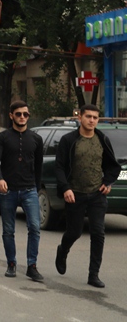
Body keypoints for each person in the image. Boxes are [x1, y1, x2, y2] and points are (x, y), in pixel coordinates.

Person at [55, 104, 121, 288]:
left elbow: (113, 166)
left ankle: (94, 275)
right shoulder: (69, 140)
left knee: (98, 233)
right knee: (74, 232)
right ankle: (63, 250)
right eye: (88, 117)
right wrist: (66, 188)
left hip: (96, 194)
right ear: (80, 118)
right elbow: (59, 167)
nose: (92, 120)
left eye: (95, 117)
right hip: (74, 194)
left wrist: (107, 182)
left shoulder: (102, 139)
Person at [0, 100, 44, 281]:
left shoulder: (36, 139)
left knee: (35, 228)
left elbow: (39, 166)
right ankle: (11, 263)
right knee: (8, 230)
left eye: (26, 114)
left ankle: (32, 266)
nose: (22, 117)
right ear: (11, 115)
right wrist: (0, 179)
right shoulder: (2, 138)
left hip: (29, 190)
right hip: (8, 191)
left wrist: (36, 188)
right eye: (19, 114)